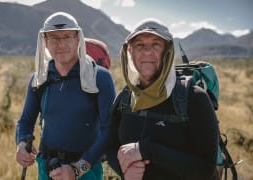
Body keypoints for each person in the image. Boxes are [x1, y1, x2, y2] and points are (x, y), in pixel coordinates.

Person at [106, 18, 219, 179]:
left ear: (167, 51)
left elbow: (205, 169)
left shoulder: (194, 98)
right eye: (139, 45)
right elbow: (110, 147)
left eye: (156, 44)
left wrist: (147, 150)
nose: (147, 51)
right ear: (130, 51)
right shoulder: (125, 98)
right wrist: (124, 171)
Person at [15, 12, 115, 180]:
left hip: (87, 170)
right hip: (46, 168)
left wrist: (77, 169)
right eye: (54, 38)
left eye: (67, 37)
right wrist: (22, 144)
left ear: (78, 39)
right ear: (45, 42)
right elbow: (26, 120)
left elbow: (109, 130)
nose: (61, 44)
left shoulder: (99, 78)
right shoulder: (40, 79)